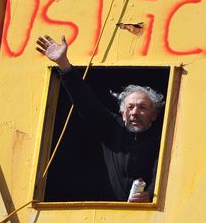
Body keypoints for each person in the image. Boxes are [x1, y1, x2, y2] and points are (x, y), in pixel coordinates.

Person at [36, 35, 164, 202]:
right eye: (130, 107)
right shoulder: (112, 130)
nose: (134, 113)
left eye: (142, 108)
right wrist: (64, 65)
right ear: (122, 112)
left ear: (153, 115)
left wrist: (151, 195)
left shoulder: (162, 139)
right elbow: (87, 103)